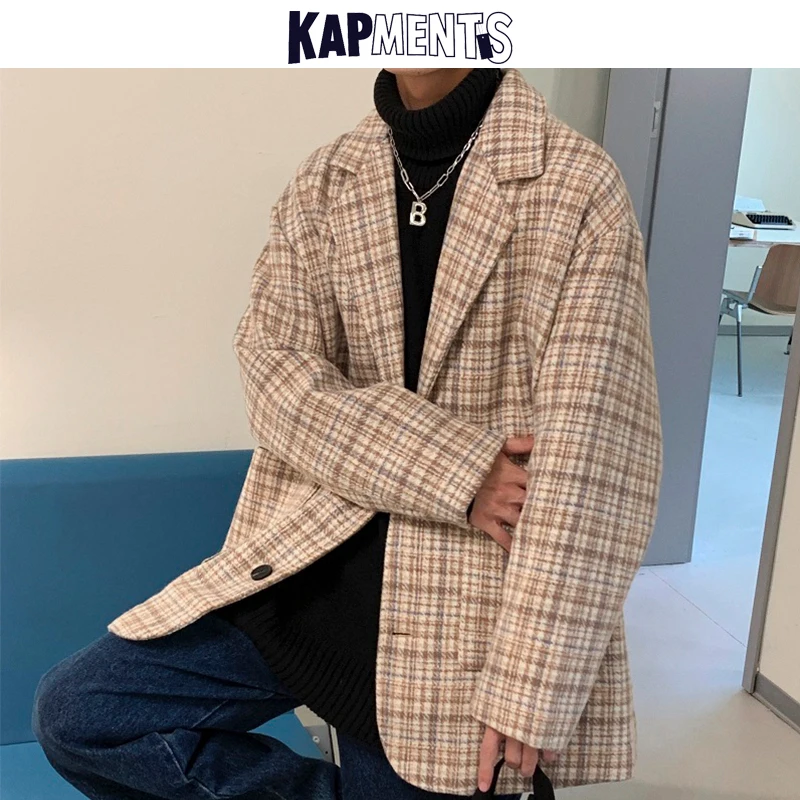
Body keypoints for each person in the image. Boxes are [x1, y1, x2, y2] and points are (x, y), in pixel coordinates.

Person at [31, 67, 663, 799]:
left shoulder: (577, 185)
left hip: (461, 616)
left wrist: (532, 680)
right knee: (81, 713)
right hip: (314, 564)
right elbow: (276, 379)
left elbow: (599, 455)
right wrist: (457, 467)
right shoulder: (328, 179)